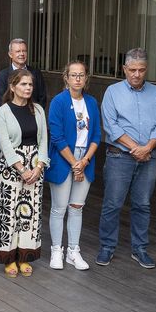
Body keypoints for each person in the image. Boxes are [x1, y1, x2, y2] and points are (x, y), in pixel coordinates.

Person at [96, 48, 156, 269]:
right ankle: (107, 247)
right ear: (124, 69)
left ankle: (140, 249)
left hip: (149, 158)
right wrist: (136, 148)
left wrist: (146, 148)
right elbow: (111, 126)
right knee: (112, 204)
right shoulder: (112, 92)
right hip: (120, 157)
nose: (137, 74)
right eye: (133, 70)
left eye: (141, 70)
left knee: (143, 205)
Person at [0, 69, 49, 278]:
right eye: (23, 84)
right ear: (13, 86)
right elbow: (5, 144)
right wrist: (22, 169)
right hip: (10, 168)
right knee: (8, 215)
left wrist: (39, 166)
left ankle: (24, 256)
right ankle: (8, 258)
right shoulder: (3, 111)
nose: (27, 88)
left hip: (36, 168)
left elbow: (44, 140)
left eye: (30, 85)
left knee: (30, 214)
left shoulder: (39, 110)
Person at [45, 60, 100, 270]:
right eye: (73, 75)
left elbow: (96, 134)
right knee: (59, 209)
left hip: (85, 158)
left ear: (86, 78)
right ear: (66, 78)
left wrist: (84, 161)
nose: (77, 79)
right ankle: (57, 250)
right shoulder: (59, 102)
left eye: (81, 75)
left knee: (77, 208)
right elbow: (57, 137)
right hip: (63, 157)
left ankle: (73, 251)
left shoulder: (92, 102)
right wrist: (74, 163)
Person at [0, 38, 48, 108]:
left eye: (24, 51)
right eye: (18, 51)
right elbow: (0, 102)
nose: (22, 54)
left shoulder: (36, 73)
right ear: (10, 54)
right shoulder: (1, 76)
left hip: (33, 114)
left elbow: (42, 98)